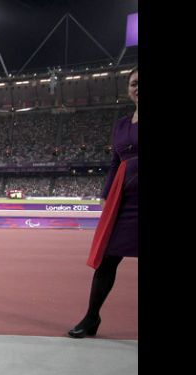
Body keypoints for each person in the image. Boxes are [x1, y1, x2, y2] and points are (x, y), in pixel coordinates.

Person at [68, 66, 138, 338]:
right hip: (124, 200)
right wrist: (106, 195)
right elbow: (115, 162)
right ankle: (91, 317)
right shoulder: (121, 124)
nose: (137, 88)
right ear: (128, 89)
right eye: (134, 83)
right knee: (107, 260)